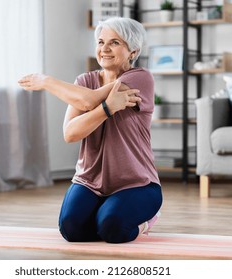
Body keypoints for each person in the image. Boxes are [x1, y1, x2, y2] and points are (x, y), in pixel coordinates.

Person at [18, 17, 162, 243]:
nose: (104, 49)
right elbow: (70, 133)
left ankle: (145, 221)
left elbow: (87, 101)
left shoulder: (140, 78)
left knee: (112, 229)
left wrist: (46, 81)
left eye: (114, 42)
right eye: (101, 42)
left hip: (136, 183)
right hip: (89, 181)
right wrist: (108, 108)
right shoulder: (84, 80)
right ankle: (105, 213)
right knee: (71, 230)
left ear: (133, 51)